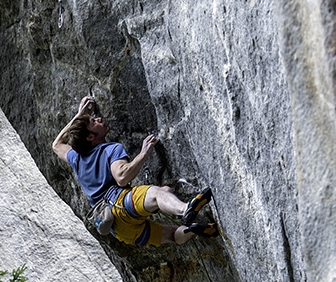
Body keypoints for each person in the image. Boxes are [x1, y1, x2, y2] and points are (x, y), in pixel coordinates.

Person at [52, 96, 217, 246]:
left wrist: (79, 116)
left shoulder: (76, 158)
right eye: (94, 121)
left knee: (172, 233)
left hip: (116, 228)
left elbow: (57, 145)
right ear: (90, 137)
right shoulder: (110, 150)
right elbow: (122, 176)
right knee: (156, 194)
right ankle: (185, 209)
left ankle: (190, 230)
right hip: (120, 203)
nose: (99, 118)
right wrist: (143, 153)